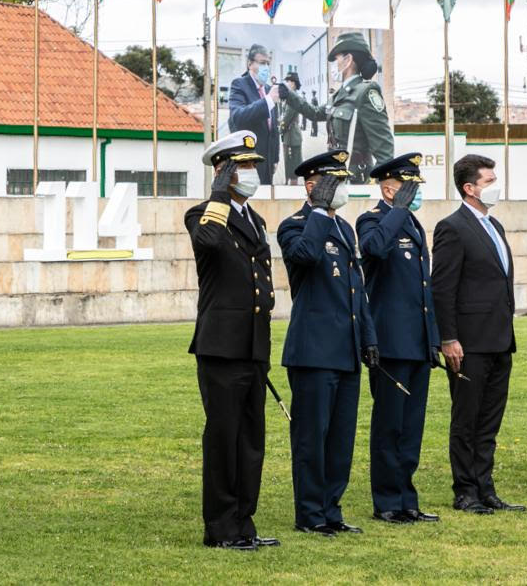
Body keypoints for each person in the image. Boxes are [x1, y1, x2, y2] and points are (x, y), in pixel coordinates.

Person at [183, 131, 279, 552]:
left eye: (253, 164)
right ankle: (221, 528)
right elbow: (209, 242)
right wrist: (219, 194)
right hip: (221, 347)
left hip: (253, 345)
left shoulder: (255, 219)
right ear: (223, 171)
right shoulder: (202, 214)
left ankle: (244, 523)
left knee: (251, 439)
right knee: (224, 438)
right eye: (243, 166)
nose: (252, 172)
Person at [278, 150, 379, 537]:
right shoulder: (295, 225)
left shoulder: (346, 230)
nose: (342, 189)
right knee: (312, 438)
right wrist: (319, 210)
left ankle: (331, 509)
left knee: (340, 439)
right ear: (312, 186)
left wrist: (368, 338)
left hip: (346, 350)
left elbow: (357, 291)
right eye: (334, 182)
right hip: (314, 351)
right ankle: (310, 514)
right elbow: (304, 256)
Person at [431, 154, 525, 515]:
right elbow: (443, 288)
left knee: (489, 420)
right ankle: (466, 490)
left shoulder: (494, 225)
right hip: (469, 342)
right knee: (467, 419)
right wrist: (449, 338)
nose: (495, 186)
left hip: (499, 339)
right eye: (489, 181)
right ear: (469, 188)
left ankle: (485, 487)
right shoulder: (452, 228)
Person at [355, 153, 441, 525]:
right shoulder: (373, 220)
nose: (415, 194)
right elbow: (374, 249)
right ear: (390, 189)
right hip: (390, 342)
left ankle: (407, 498)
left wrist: (433, 339)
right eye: (409, 188)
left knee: (411, 426)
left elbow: (423, 290)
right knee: (390, 425)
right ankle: (387, 501)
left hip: (417, 343)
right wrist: (398, 210)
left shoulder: (413, 225)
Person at [321, 32, 393, 182]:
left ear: (348, 60)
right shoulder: (339, 95)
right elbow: (315, 112)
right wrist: (289, 95)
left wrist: (372, 186)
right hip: (336, 173)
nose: (334, 65)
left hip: (356, 178)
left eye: (336, 59)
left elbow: (385, 153)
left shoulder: (366, 92)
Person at [226, 44, 280, 184]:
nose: (266, 68)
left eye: (268, 63)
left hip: (267, 163)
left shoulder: (268, 89)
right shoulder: (239, 84)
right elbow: (238, 117)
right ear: (250, 64)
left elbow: (274, 129)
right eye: (262, 63)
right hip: (248, 162)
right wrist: (268, 101)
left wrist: (275, 159)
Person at [278, 72, 319, 185]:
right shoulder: (290, 97)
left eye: (289, 81)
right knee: (289, 162)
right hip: (289, 134)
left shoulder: (293, 99)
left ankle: (293, 187)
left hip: (292, 135)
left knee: (293, 164)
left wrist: (280, 129)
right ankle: (289, 183)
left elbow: (287, 118)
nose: (287, 83)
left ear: (294, 83)